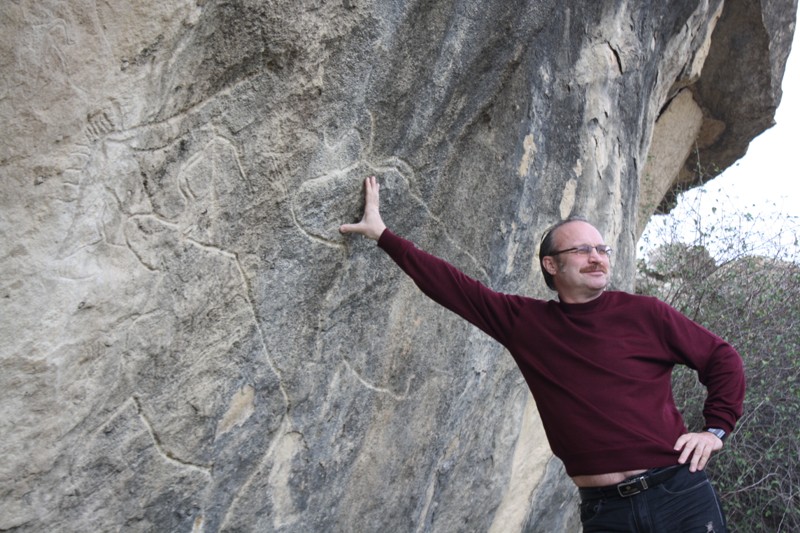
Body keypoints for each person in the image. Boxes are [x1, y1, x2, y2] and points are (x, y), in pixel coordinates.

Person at [339, 176, 745, 532]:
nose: (597, 257)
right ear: (551, 265)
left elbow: (722, 359)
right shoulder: (526, 324)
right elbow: (452, 287)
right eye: (583, 250)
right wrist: (383, 235)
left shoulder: (646, 313)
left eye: (602, 249)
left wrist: (715, 430)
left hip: (677, 493)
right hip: (605, 511)